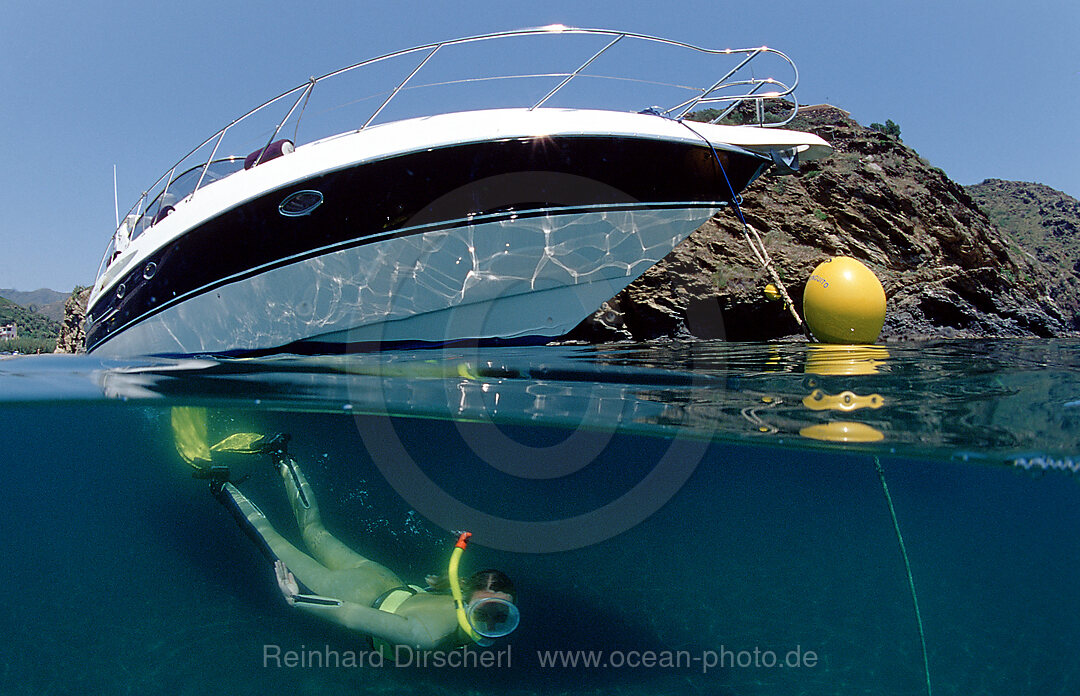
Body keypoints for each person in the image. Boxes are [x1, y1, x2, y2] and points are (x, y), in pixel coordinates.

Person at [207, 434, 519, 656]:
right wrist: (299, 600)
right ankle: (220, 483)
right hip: (351, 591)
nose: (491, 623)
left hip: (380, 577)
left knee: (314, 530)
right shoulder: (427, 638)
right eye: (489, 611)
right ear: (469, 602)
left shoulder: (458, 592)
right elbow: (351, 615)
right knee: (273, 541)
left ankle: (281, 456)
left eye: (501, 615)